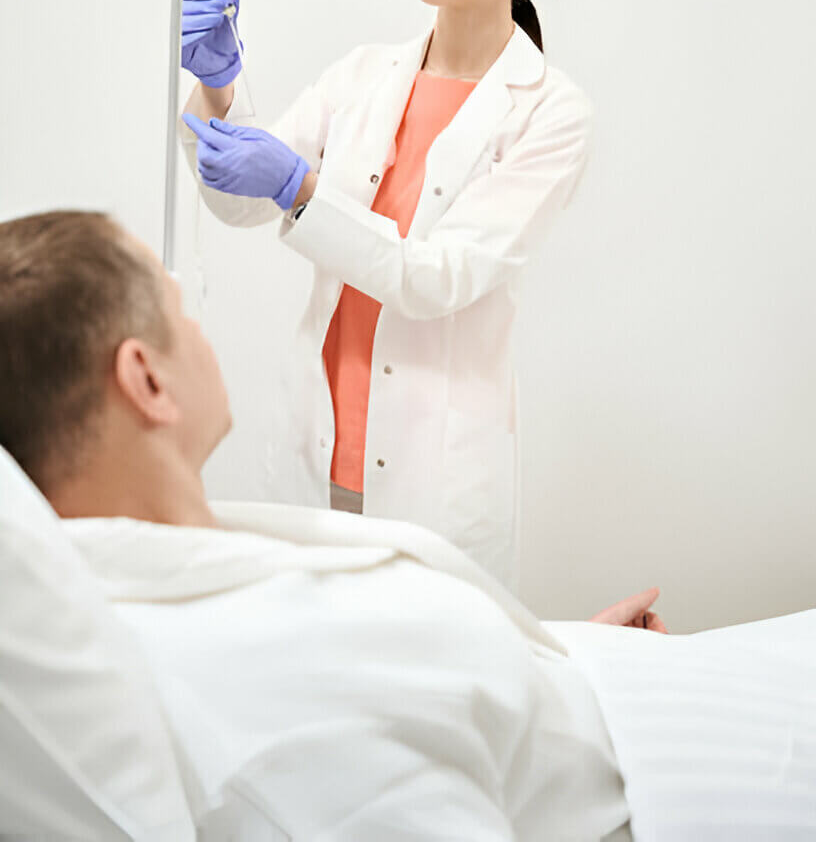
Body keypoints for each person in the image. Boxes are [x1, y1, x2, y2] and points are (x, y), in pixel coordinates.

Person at [3, 213, 814, 840]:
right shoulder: (264, 694)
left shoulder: (189, 566)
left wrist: (556, 661)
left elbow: (415, 695)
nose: (202, 330)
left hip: (622, 698)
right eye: (183, 307)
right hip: (679, 784)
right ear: (146, 379)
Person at [180, 0, 594, 589]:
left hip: (434, 474)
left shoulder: (550, 112)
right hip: (317, 446)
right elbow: (236, 203)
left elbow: (436, 278)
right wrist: (217, 88)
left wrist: (301, 189)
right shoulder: (364, 74)